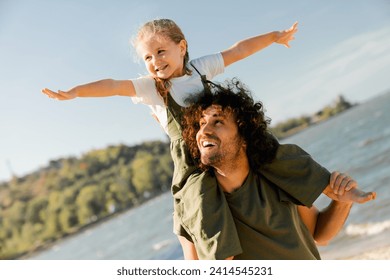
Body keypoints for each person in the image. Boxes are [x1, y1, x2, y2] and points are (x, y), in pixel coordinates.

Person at [42, 18, 348, 259]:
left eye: (161, 51)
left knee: (274, 155)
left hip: (222, 148)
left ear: (182, 46)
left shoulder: (200, 69)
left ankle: (330, 188)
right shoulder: (152, 88)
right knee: (198, 197)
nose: (155, 61)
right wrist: (75, 93)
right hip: (191, 159)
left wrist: (274, 37)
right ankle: (220, 257)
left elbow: (238, 50)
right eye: (147, 57)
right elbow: (112, 84)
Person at [180, 78, 376, 259]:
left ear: (244, 137)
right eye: (201, 124)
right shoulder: (197, 203)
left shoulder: (275, 176)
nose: (204, 132)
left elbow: (319, 234)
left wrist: (340, 202)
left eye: (218, 122)